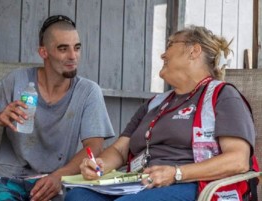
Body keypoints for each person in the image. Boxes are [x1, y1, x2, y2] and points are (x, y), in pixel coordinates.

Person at [64, 25, 258, 201]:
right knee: (78, 196)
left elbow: (238, 160)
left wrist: (176, 173)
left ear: (194, 50)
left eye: (171, 45)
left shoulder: (223, 96)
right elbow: (119, 150)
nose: (162, 55)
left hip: (192, 184)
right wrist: (100, 165)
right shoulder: (155, 103)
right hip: (142, 182)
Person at [0, 15, 115, 201]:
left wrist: (59, 176)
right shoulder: (17, 81)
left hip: (54, 180)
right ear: (43, 52)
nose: (73, 56)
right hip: (6, 176)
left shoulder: (88, 91)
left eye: (77, 48)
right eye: (63, 49)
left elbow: (94, 147)